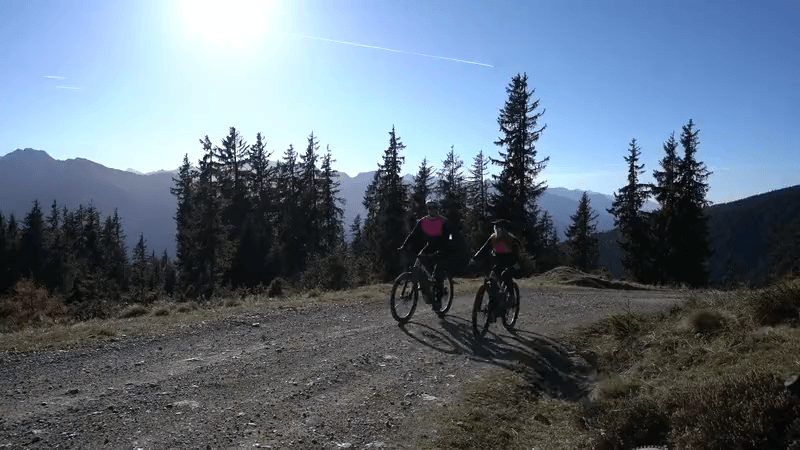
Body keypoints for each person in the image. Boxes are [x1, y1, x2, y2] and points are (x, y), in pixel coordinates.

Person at [397, 200, 452, 308]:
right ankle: (426, 288)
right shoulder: (423, 221)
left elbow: (450, 236)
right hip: (430, 246)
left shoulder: (444, 221)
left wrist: (447, 247)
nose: (431, 210)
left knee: (438, 275)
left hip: (443, 248)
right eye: (429, 208)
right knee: (419, 262)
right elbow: (413, 234)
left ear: (437, 209)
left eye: (433, 208)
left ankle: (438, 301)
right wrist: (404, 246)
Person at [471, 219, 522, 298]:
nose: (496, 229)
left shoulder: (512, 240)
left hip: (511, 263)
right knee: (492, 279)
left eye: (499, 227)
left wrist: (514, 266)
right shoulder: (493, 238)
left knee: (505, 275)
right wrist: (475, 258)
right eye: (496, 227)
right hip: (499, 263)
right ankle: (494, 298)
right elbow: (484, 249)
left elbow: (516, 257)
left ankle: (511, 296)